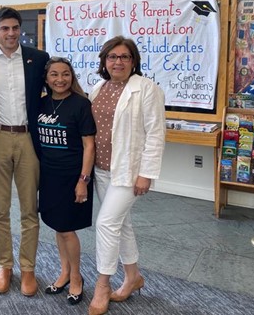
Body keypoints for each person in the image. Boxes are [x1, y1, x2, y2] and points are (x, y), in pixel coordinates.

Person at [0, 6, 50, 296]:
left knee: (30, 209)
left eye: (15, 28)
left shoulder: (38, 59)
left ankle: (28, 268)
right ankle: (4, 266)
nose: (10, 33)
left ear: (21, 30)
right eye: (4, 28)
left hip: (29, 139)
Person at [87, 36, 165, 315]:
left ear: (134, 62)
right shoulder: (98, 88)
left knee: (107, 223)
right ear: (104, 62)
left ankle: (103, 284)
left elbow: (156, 134)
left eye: (124, 57)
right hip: (102, 168)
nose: (118, 62)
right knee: (122, 225)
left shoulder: (147, 89)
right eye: (112, 57)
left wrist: (146, 174)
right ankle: (133, 277)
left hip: (129, 172)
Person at [37, 57, 95, 305]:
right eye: (54, 75)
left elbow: (89, 145)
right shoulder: (40, 104)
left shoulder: (81, 104)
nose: (60, 79)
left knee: (67, 229)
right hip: (49, 176)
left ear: (72, 77)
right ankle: (64, 272)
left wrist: (83, 180)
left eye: (65, 74)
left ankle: (77, 278)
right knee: (58, 227)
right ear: (46, 78)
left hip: (73, 176)